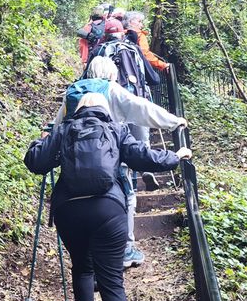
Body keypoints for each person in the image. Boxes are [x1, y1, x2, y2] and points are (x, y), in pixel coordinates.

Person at [24, 92, 191, 301]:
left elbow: (35, 162)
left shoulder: (64, 130)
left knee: (82, 267)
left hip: (69, 210)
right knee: (113, 282)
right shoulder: (115, 129)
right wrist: (175, 158)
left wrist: (40, 140)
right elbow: (143, 156)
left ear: (78, 109)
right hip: (108, 210)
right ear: (104, 110)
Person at [54, 56, 187, 267]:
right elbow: (142, 108)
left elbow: (58, 126)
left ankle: (90, 260)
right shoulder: (112, 89)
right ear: (111, 74)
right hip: (110, 160)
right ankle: (126, 250)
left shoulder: (74, 91)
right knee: (128, 196)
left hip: (74, 168)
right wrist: (173, 122)